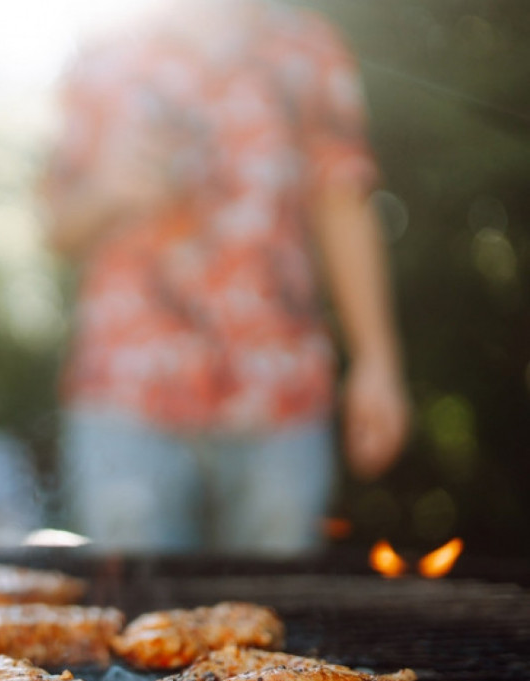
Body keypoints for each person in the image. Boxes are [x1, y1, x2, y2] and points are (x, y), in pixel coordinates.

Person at [42, 0, 410, 554]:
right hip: (128, 397)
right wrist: (108, 190)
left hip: (279, 393)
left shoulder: (307, 48)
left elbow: (342, 201)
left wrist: (377, 362)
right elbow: (53, 230)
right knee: (130, 619)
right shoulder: (103, 52)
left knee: (277, 618)